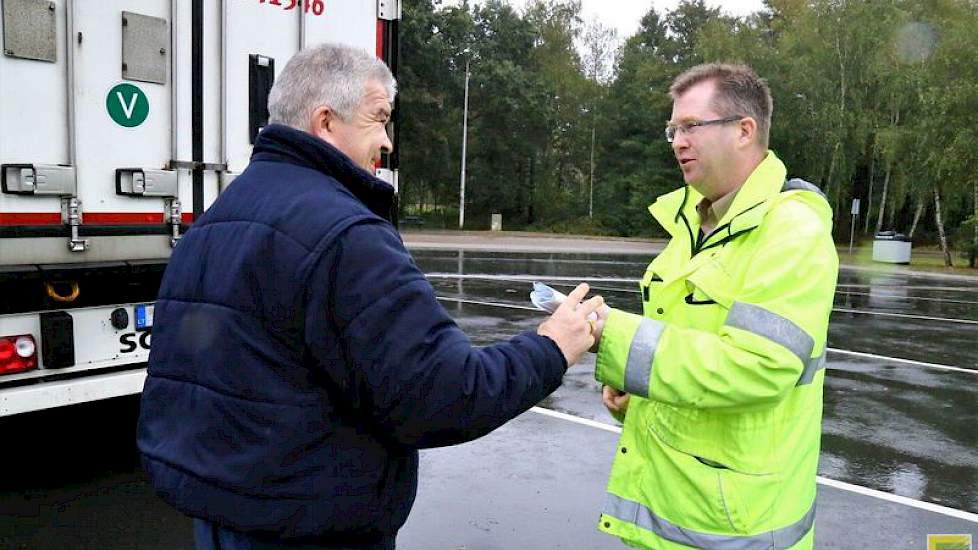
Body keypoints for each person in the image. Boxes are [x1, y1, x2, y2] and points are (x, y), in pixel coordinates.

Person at [136, 43, 603, 550]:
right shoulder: (345, 233)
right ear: (325, 122)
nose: (385, 142)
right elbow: (442, 394)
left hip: (223, 516)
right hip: (307, 528)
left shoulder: (217, 218)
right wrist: (552, 347)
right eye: (379, 119)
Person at [591, 63, 838, 549]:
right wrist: (635, 390)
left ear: (745, 130)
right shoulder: (690, 225)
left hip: (736, 527)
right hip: (667, 512)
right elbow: (685, 344)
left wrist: (614, 338)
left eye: (690, 127)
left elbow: (756, 367)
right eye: (672, 129)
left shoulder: (792, 232)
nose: (677, 142)